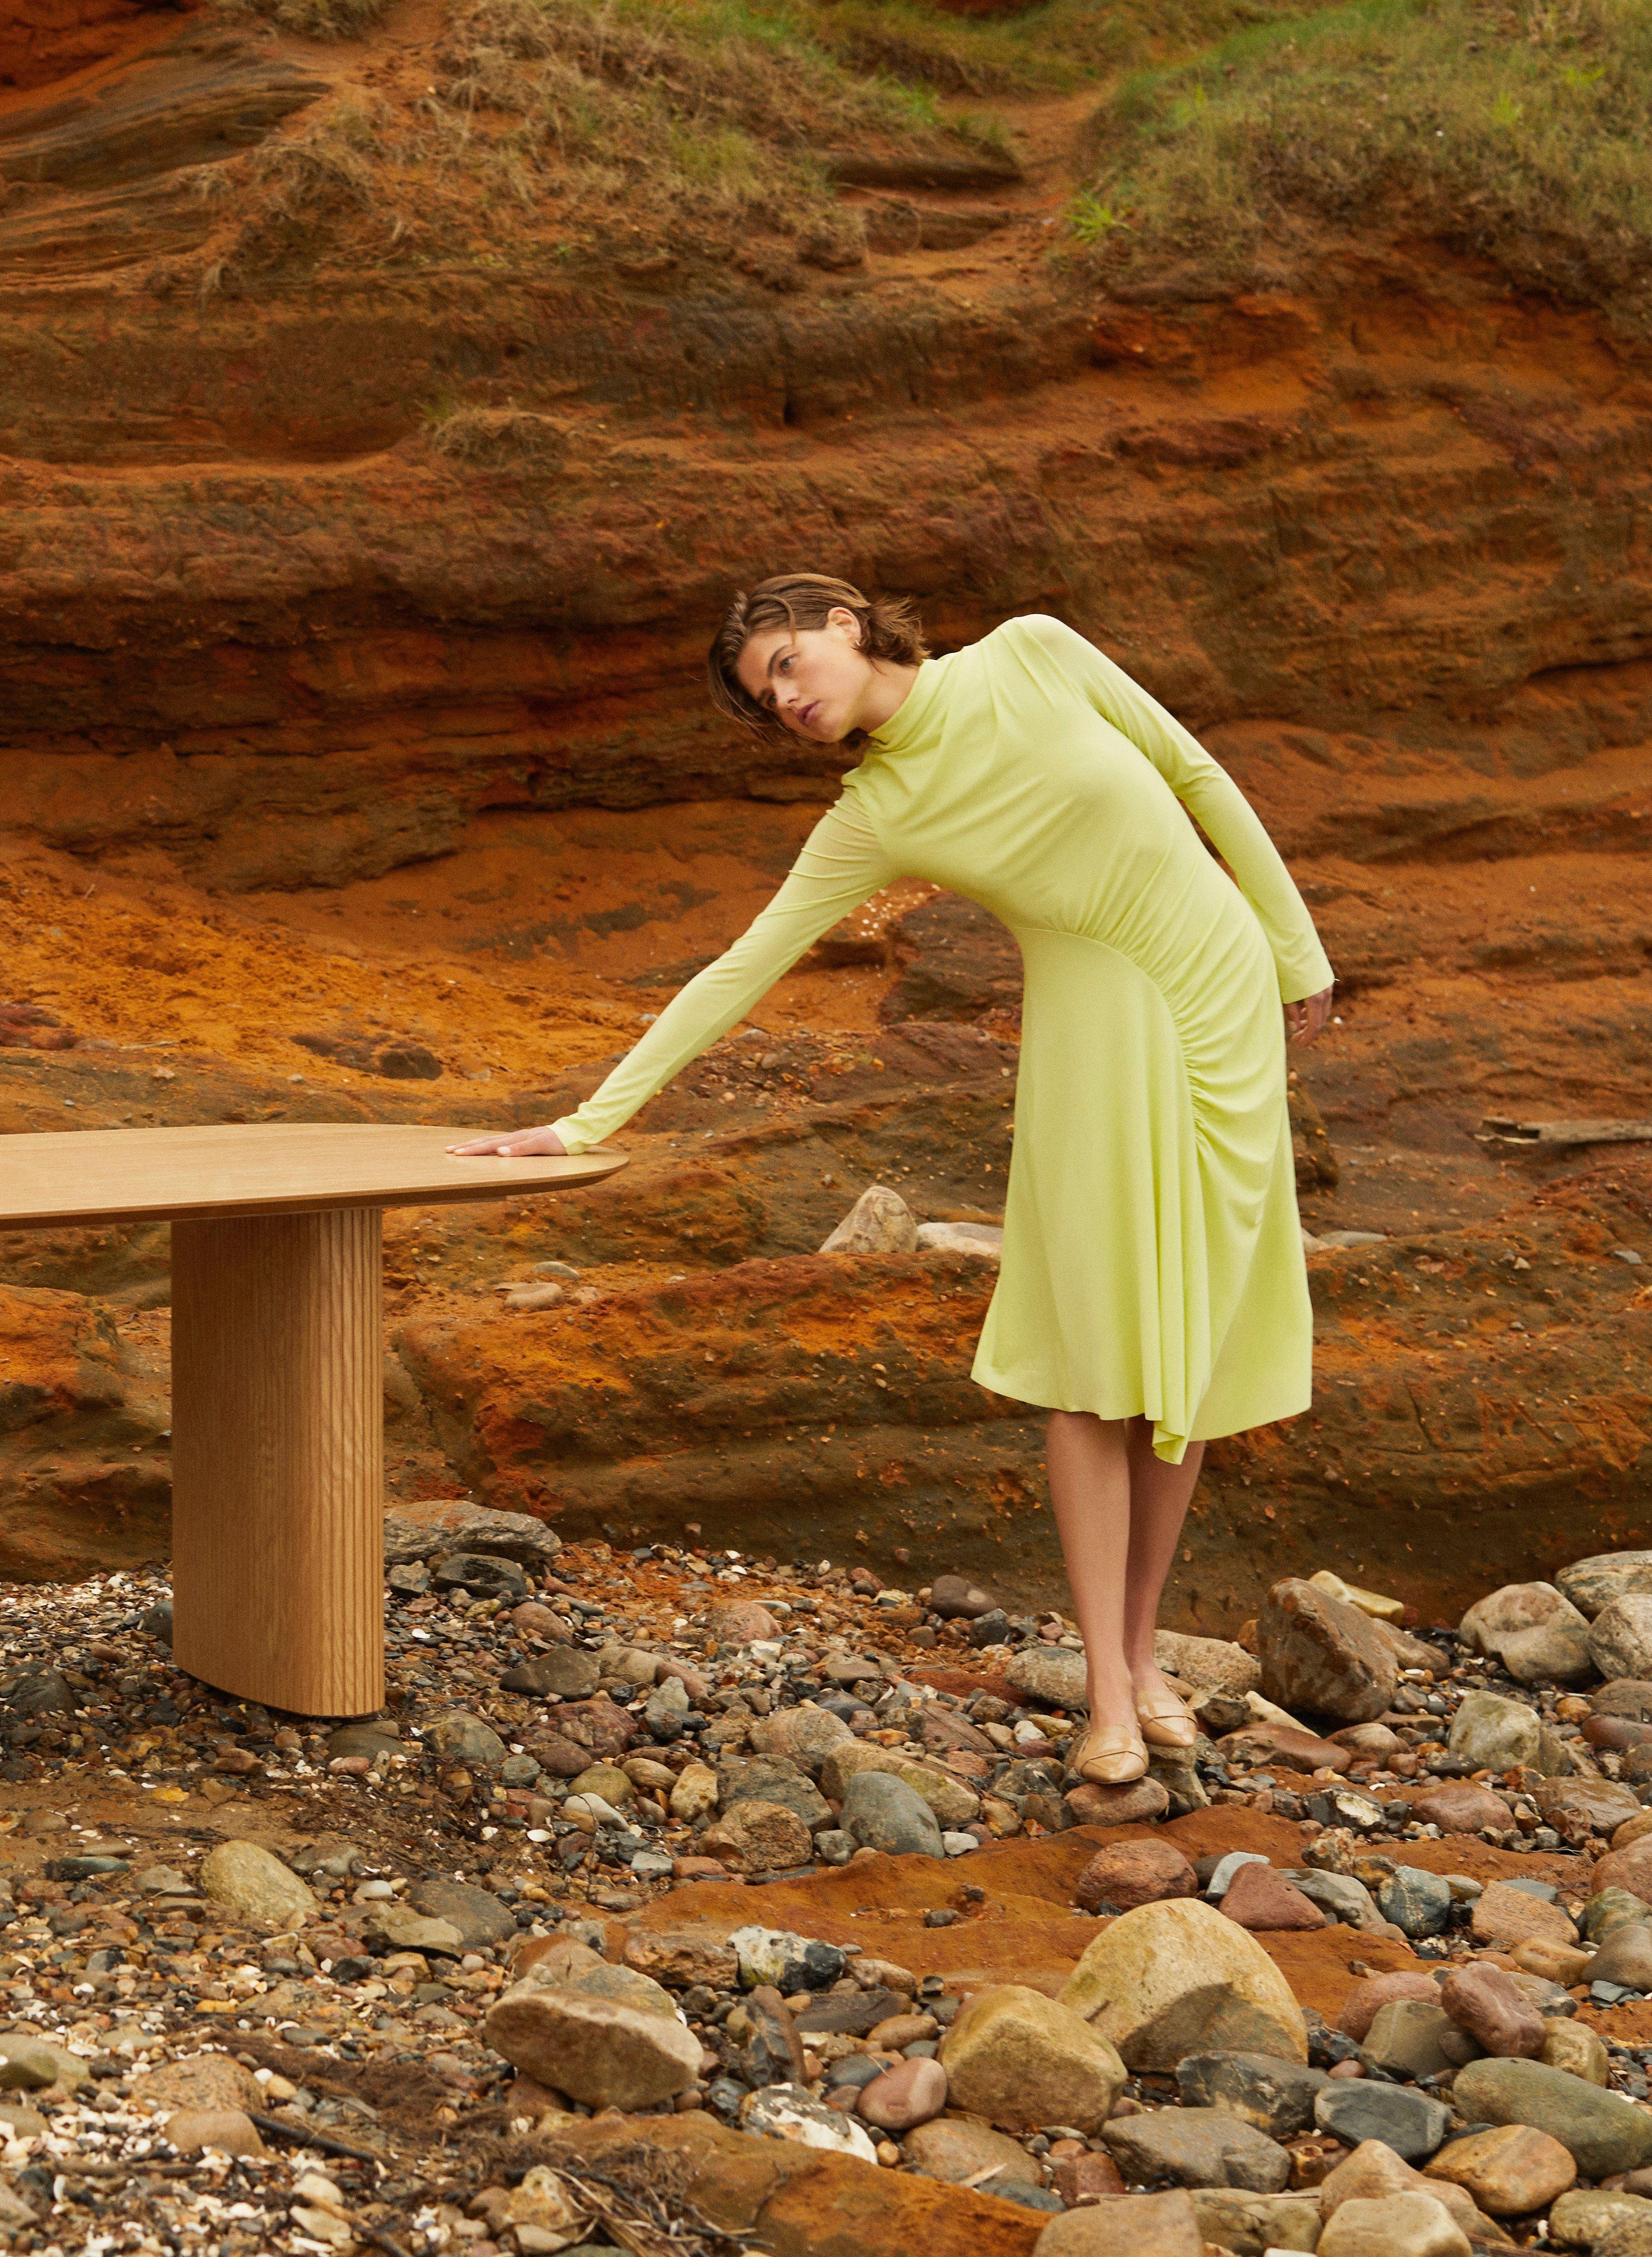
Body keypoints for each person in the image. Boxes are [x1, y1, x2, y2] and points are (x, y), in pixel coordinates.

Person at [446, 573, 1335, 1788]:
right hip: (1095, 1031)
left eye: (788, 662)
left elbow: (1198, 779)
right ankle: (1109, 1689)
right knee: (1091, 1349)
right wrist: (590, 1114)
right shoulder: (876, 812)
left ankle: (1143, 1653)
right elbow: (743, 963)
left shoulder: (1037, 652)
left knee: (1190, 1338)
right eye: (767, 695)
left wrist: (1297, 949)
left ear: (844, 622)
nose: (788, 698)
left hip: (1224, 996)